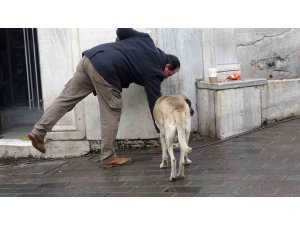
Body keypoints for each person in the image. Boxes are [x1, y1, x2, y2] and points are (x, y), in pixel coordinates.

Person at [28, 28, 180, 168]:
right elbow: (155, 105)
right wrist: (165, 135)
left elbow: (122, 29)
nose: (166, 77)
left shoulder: (146, 39)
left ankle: (38, 131)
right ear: (167, 66)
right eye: (169, 74)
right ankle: (108, 157)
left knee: (66, 99)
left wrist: (119, 49)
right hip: (107, 70)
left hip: (90, 58)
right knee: (111, 111)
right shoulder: (154, 72)